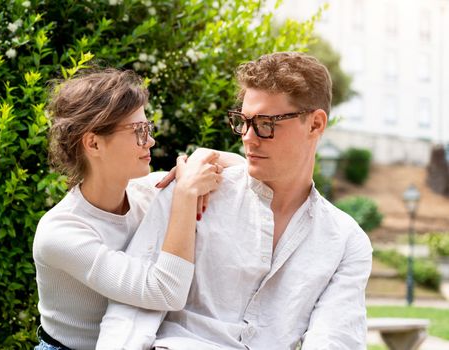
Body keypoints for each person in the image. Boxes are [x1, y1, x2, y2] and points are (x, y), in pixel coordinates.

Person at [95, 52, 373, 349]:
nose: (249, 138)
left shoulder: (345, 241)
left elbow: (335, 339)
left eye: (267, 124)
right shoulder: (194, 191)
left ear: (315, 124)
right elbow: (132, 310)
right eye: (243, 121)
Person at [32, 68, 243, 350]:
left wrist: (203, 159)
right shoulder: (60, 232)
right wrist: (185, 193)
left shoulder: (147, 192)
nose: (151, 141)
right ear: (93, 143)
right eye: (138, 131)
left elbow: (244, 175)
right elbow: (164, 291)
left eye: (148, 128)